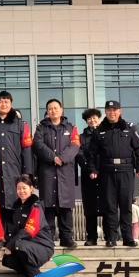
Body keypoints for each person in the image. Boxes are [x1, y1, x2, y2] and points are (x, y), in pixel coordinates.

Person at [0, 91, 33, 249]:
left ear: (11, 104)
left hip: (15, 171)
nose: (3, 104)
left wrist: (27, 174)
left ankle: (16, 237)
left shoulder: (20, 124)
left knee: (15, 203)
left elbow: (27, 149)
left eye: (6, 101)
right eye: (0, 101)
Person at [88, 100, 139, 248]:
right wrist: (93, 170)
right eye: (109, 110)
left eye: (115, 110)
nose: (112, 113)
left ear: (120, 111)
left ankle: (128, 238)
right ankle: (111, 238)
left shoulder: (129, 128)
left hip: (126, 171)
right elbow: (92, 153)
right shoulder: (99, 130)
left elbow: (138, 149)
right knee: (110, 206)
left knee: (126, 205)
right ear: (105, 112)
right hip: (107, 172)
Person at [32, 98, 80, 248]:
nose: (53, 111)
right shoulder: (41, 128)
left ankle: (67, 238)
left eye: (55, 108)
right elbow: (38, 145)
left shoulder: (71, 128)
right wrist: (53, 157)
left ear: (61, 110)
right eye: (50, 108)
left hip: (65, 172)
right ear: (47, 111)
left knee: (65, 207)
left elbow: (75, 146)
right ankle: (48, 238)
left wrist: (62, 158)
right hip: (47, 172)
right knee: (48, 207)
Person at [2, 174, 54, 277]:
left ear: (31, 189)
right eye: (19, 188)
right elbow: (14, 229)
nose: (21, 191)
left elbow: (30, 230)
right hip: (27, 245)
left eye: (24, 188)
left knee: (17, 246)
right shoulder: (16, 207)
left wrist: (11, 245)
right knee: (7, 260)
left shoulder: (36, 206)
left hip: (42, 246)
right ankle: (28, 273)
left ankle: (35, 275)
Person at [78, 108, 102, 246]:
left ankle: (111, 235)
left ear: (99, 119)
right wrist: (90, 170)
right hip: (88, 176)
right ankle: (91, 237)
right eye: (89, 119)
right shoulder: (81, 137)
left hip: (104, 175)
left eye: (94, 118)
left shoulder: (105, 133)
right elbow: (80, 154)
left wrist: (99, 169)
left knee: (108, 205)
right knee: (90, 207)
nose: (92, 120)